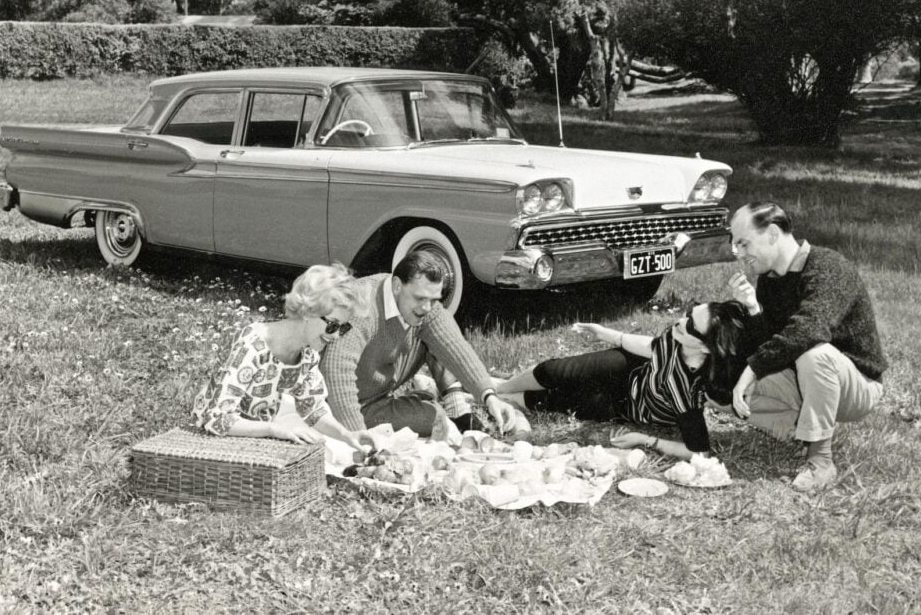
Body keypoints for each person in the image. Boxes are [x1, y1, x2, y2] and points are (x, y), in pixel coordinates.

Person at [727, 201, 888, 492]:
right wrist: (752, 308)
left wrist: (751, 370)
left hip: (855, 387)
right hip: (805, 381)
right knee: (725, 386)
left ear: (773, 233)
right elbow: (772, 347)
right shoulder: (770, 280)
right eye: (734, 245)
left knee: (814, 353)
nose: (737, 253)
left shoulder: (828, 267)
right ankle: (800, 427)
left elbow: (808, 330)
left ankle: (821, 461)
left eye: (743, 243)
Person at [494, 301, 749, 460]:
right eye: (689, 313)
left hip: (624, 407)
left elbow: (699, 452)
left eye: (691, 325)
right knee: (555, 371)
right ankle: (496, 387)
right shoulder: (676, 338)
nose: (681, 321)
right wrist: (609, 335)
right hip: (629, 369)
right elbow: (651, 347)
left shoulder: (687, 392)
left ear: (706, 348)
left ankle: (497, 397)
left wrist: (645, 440)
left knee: (552, 401)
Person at [320, 250, 525, 442]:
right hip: (347, 404)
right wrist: (357, 437)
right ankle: (424, 397)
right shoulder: (362, 304)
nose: (427, 307)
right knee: (432, 418)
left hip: (381, 389)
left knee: (438, 333)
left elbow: (455, 346)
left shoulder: (424, 306)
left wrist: (489, 396)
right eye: (420, 298)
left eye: (434, 300)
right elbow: (335, 372)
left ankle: (455, 405)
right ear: (397, 285)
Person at [191, 263, 373, 448]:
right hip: (213, 439)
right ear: (309, 311)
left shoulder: (308, 353)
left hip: (254, 438)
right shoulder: (253, 345)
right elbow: (216, 418)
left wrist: (347, 435)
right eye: (333, 325)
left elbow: (313, 409)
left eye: (343, 328)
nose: (335, 335)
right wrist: (275, 430)